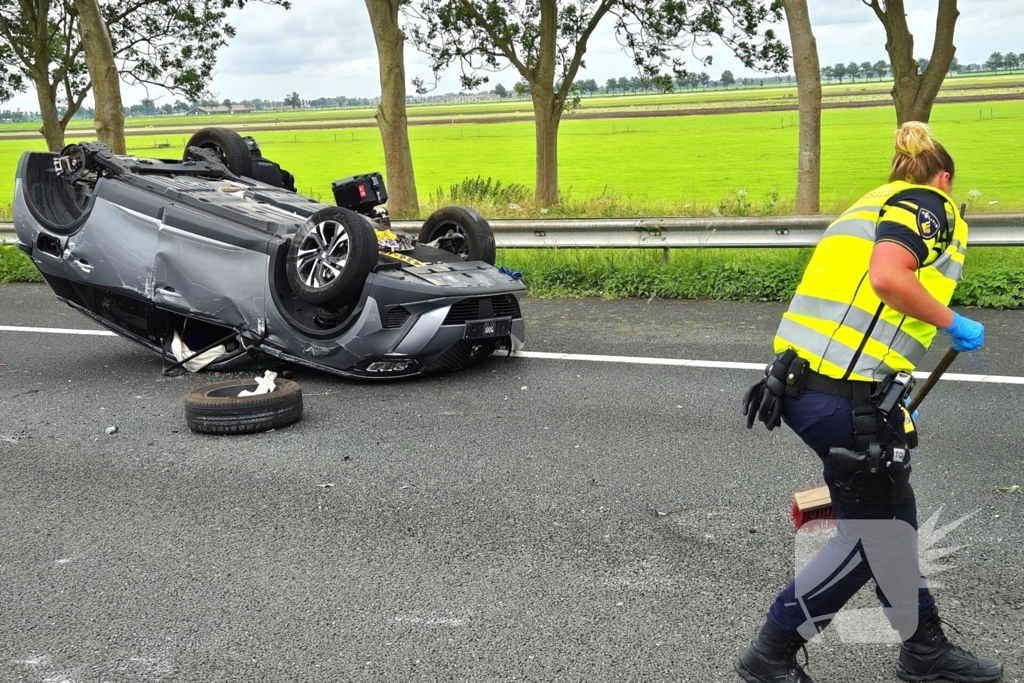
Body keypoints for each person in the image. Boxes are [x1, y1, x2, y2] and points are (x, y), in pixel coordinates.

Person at [735, 122, 1002, 683]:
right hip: (844, 398)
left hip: (808, 387)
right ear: (945, 177)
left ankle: (925, 648)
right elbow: (887, 278)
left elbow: (861, 313)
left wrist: (891, 397)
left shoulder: (869, 205)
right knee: (876, 537)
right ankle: (772, 650)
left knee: (888, 523)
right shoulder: (928, 203)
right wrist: (953, 322)